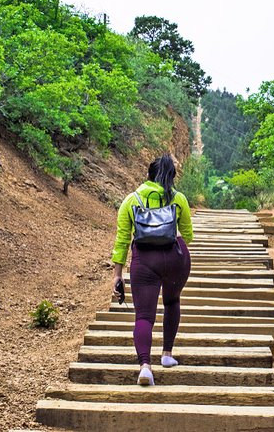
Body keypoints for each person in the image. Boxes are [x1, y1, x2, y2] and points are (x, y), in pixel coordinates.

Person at [110, 154, 193, 386]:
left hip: (144, 261)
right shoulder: (179, 199)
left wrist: (117, 275)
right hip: (176, 259)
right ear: (171, 176)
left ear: (148, 174)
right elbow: (188, 235)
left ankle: (145, 367)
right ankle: (167, 355)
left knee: (144, 316)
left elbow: (122, 240)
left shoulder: (131, 200)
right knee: (172, 302)